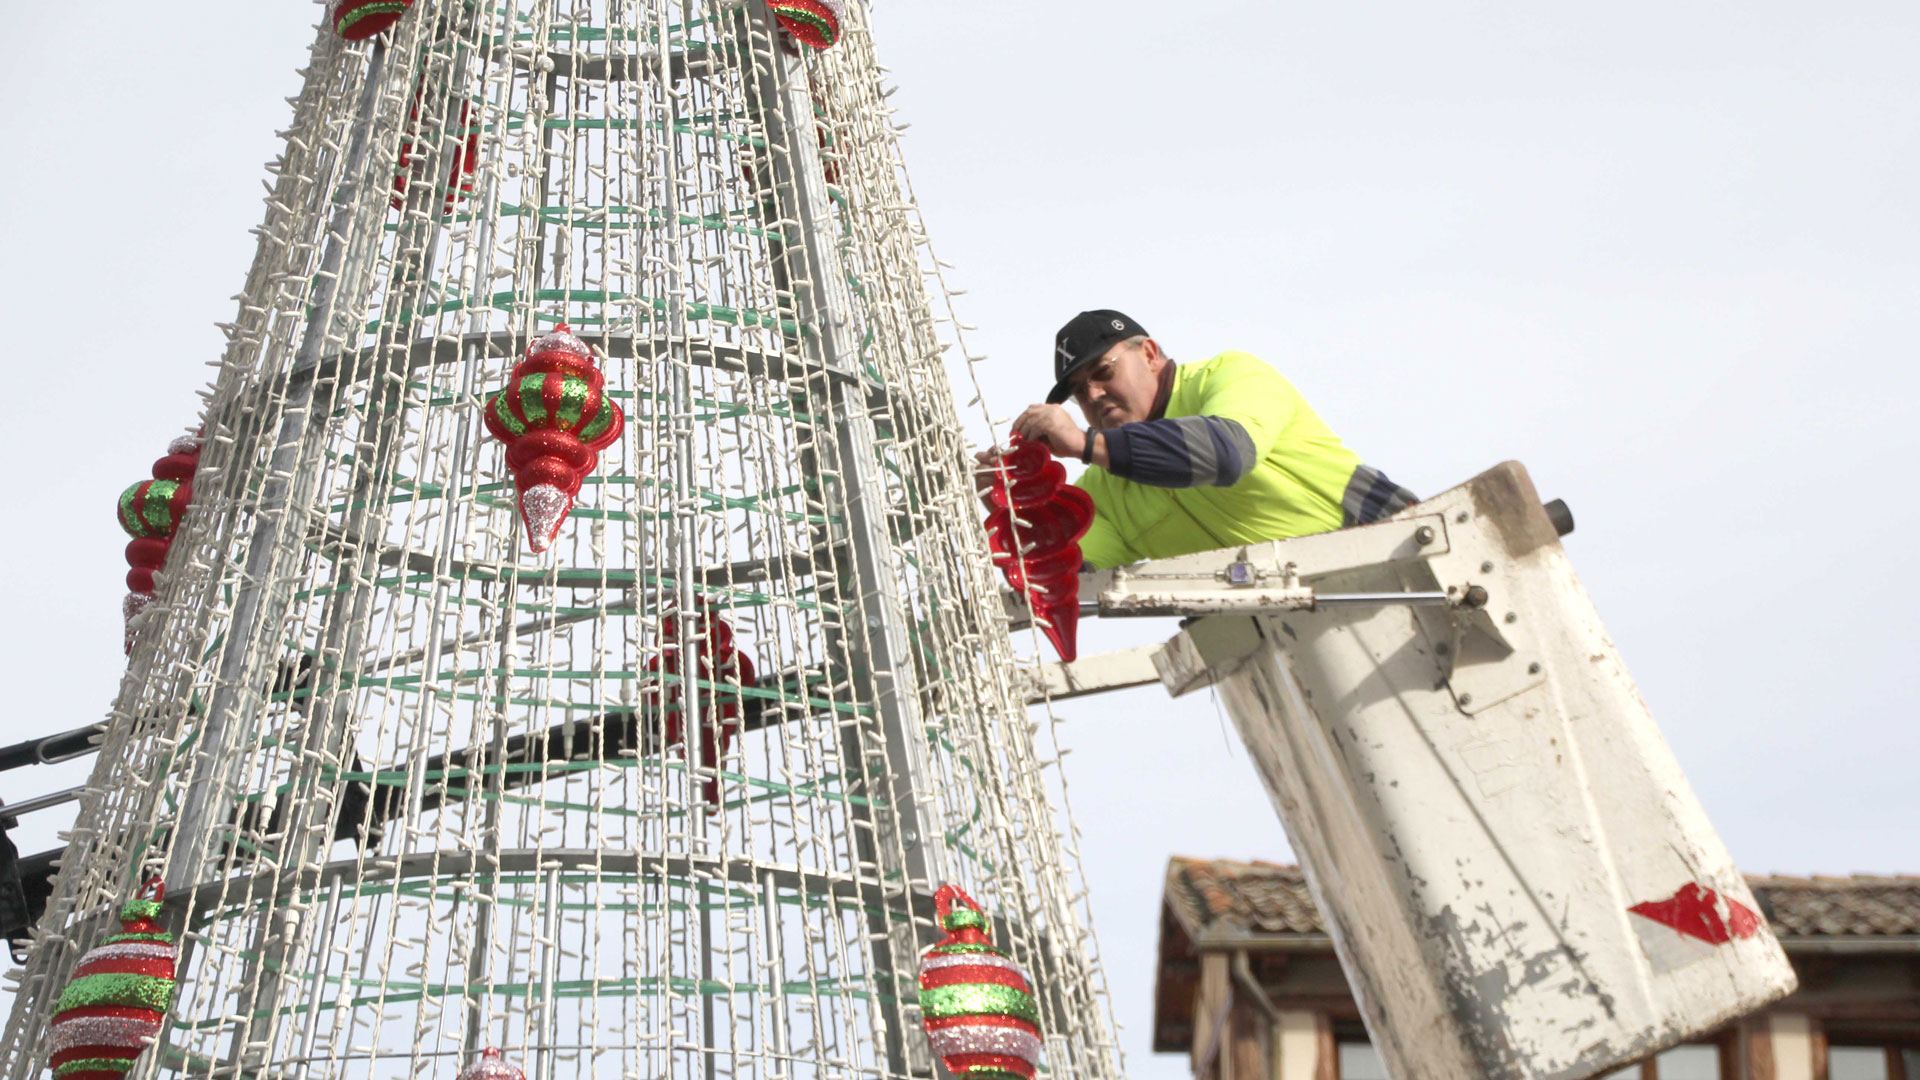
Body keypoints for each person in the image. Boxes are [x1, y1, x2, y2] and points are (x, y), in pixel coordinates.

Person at [995, 309, 1417, 570]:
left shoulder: (1232, 374)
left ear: (1149, 354)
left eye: (1104, 373)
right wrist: (1010, 502)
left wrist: (1085, 445)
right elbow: (1060, 567)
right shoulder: (1104, 490)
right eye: (1079, 392)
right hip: (1285, 630)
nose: (1094, 395)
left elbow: (1226, 453)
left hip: (1399, 560)